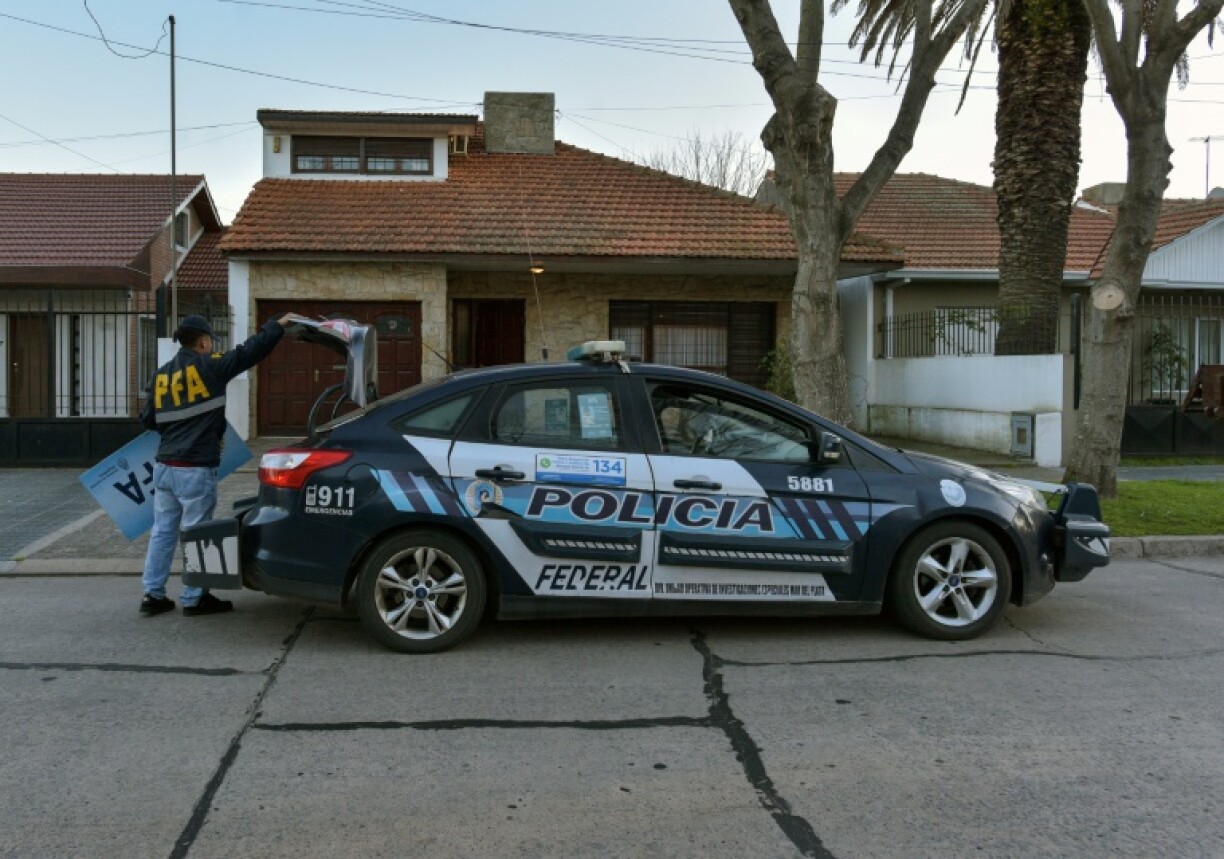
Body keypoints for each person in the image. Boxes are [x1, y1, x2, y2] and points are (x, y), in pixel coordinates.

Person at [138, 312, 298, 616]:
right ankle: (194, 598)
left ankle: (152, 595)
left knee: (162, 531)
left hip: (164, 467)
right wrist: (276, 326)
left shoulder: (160, 376)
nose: (211, 345)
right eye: (210, 340)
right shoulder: (209, 366)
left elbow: (147, 420)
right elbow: (249, 352)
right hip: (195, 467)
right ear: (203, 341)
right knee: (197, 532)